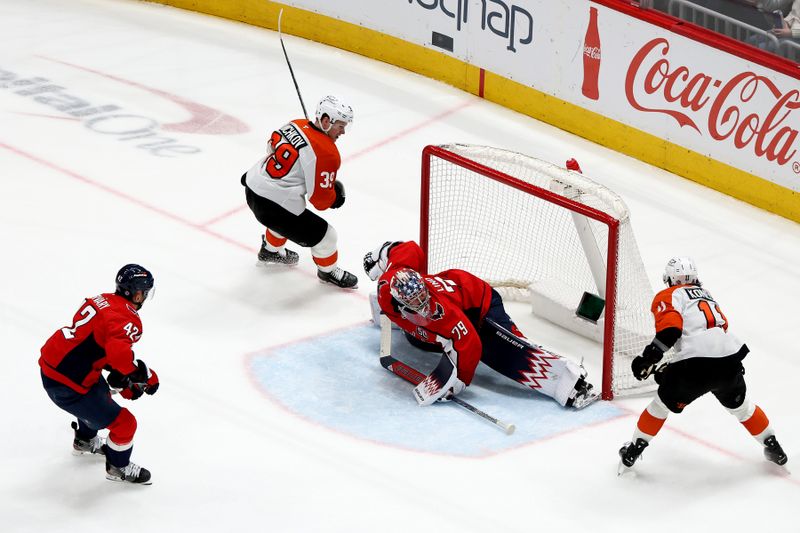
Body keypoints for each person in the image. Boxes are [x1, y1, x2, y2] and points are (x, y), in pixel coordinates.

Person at [363, 240, 596, 408]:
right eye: (415, 302)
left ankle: (570, 381)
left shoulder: (441, 312)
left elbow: (470, 342)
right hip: (455, 291)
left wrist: (460, 381)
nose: (424, 304)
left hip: (480, 302)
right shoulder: (386, 286)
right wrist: (381, 254)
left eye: (423, 296)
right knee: (418, 341)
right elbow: (410, 249)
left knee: (504, 344)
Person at [618, 257, 787, 472]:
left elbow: (671, 330)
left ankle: (633, 451)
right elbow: (720, 328)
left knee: (660, 406)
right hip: (729, 360)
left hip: (695, 365)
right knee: (743, 408)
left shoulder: (669, 295)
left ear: (669, 280)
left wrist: (648, 359)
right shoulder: (708, 296)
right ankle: (773, 446)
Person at [39, 264, 160, 484]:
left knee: (100, 392)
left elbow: (95, 343)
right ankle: (118, 467)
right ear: (136, 292)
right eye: (144, 292)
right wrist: (144, 375)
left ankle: (85, 440)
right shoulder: (128, 318)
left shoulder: (102, 299)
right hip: (68, 382)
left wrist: (120, 377)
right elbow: (119, 356)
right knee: (125, 424)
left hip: (56, 364)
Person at [241, 95, 358, 289]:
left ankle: (271, 250)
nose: (343, 131)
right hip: (271, 205)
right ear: (326, 121)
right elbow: (319, 201)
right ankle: (328, 271)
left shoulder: (296, 123)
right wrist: (336, 197)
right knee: (327, 237)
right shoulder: (327, 153)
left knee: (287, 214)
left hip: (252, 186)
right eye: (340, 125)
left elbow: (271, 148)